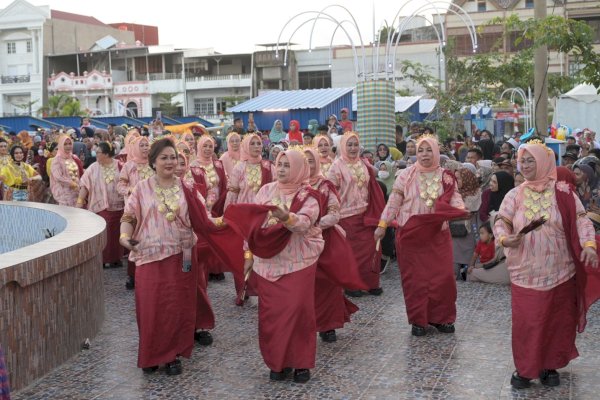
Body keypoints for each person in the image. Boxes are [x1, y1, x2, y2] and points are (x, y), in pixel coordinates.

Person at [493, 140, 600, 389]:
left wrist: (588, 246)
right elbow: (501, 220)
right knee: (527, 321)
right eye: (523, 160)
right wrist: (504, 237)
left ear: (544, 162)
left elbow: (582, 220)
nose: (526, 165)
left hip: (561, 270)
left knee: (556, 320)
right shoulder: (515, 194)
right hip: (525, 272)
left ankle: (549, 365)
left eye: (531, 160)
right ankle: (525, 368)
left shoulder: (563, 192)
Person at [119, 138, 204, 376]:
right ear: (153, 162)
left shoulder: (187, 188)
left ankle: (173, 353)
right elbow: (128, 217)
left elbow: (203, 218)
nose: (169, 162)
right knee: (151, 307)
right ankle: (151, 354)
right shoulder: (141, 189)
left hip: (183, 255)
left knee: (178, 304)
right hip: (148, 256)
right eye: (164, 157)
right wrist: (124, 237)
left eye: (173, 157)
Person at [242, 148, 324, 383]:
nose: (281, 170)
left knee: (299, 312)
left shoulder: (308, 196)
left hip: (298, 262)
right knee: (272, 315)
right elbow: (251, 227)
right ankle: (277, 362)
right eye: (279, 164)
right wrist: (247, 255)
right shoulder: (265, 191)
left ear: (299, 168)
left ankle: (300, 362)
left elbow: (305, 223)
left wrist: (286, 217)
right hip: (267, 264)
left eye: (288, 166)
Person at [375, 135, 466, 336]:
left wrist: (459, 210)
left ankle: (442, 318)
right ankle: (419, 320)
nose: (424, 155)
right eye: (420, 151)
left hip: (437, 236)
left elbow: (456, 199)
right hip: (411, 236)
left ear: (436, 152)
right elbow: (393, 203)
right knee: (416, 281)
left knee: (442, 279)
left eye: (429, 150)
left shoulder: (446, 176)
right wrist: (383, 223)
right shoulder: (405, 175)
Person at [304, 147, 362, 344]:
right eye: (303, 161)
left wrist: (314, 225)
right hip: (299, 243)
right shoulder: (289, 185)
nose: (307, 165)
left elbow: (335, 213)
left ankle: (328, 325)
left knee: (327, 283)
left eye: (311, 161)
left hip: (324, 240)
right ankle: (305, 323)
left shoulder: (325, 185)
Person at [327, 132, 386, 297]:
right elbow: (329, 191)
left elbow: (375, 178)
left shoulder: (363, 163)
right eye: (349, 145)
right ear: (343, 147)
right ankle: (352, 285)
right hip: (345, 216)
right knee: (352, 254)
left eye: (356, 144)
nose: (353, 148)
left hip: (365, 214)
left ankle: (370, 283)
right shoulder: (336, 166)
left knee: (372, 249)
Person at [77, 142, 124, 268]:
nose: (95, 154)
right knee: (104, 233)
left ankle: (116, 259)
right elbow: (84, 184)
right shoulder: (93, 167)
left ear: (107, 154)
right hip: (100, 206)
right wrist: (79, 202)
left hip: (119, 206)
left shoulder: (120, 166)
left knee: (116, 234)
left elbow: (126, 182)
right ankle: (103, 260)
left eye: (98, 152)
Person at [117, 136, 154, 290]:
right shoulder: (129, 165)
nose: (145, 148)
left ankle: (150, 275)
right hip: (134, 209)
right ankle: (132, 276)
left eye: (147, 145)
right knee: (134, 240)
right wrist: (131, 190)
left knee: (150, 240)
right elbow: (120, 186)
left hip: (152, 209)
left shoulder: (154, 163)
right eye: (142, 145)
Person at [451, 168, 482, 281]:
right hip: (454, 232)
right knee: (454, 261)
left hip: (471, 232)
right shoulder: (452, 193)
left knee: (470, 259)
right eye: (455, 178)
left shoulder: (477, 194)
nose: (456, 180)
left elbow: (476, 213)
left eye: (458, 178)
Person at [50, 135, 83, 207]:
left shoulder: (74, 157)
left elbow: (79, 173)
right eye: (65, 144)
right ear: (61, 146)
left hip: (76, 191)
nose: (68, 146)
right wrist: (71, 183)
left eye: (70, 144)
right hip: (64, 193)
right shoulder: (57, 160)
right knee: (67, 215)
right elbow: (58, 177)